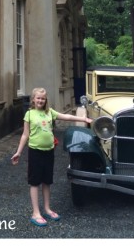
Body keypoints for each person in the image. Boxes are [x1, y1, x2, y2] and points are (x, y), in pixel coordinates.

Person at [11, 87, 93, 227]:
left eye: (43, 98)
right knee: (35, 181)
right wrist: (18, 152)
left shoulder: (50, 112)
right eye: (38, 98)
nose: (40, 101)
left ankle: (47, 208)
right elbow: (25, 134)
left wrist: (83, 118)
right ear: (33, 99)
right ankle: (35, 212)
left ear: (45, 100)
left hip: (48, 151)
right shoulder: (29, 114)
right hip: (35, 151)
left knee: (47, 181)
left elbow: (66, 116)